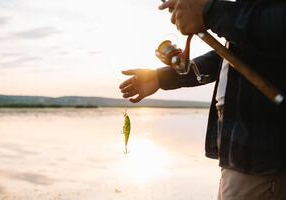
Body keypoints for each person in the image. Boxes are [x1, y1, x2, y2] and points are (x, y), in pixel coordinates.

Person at [119, 0, 286, 199]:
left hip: (262, 155)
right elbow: (234, 57)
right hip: (241, 151)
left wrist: (210, 12)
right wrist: (161, 78)